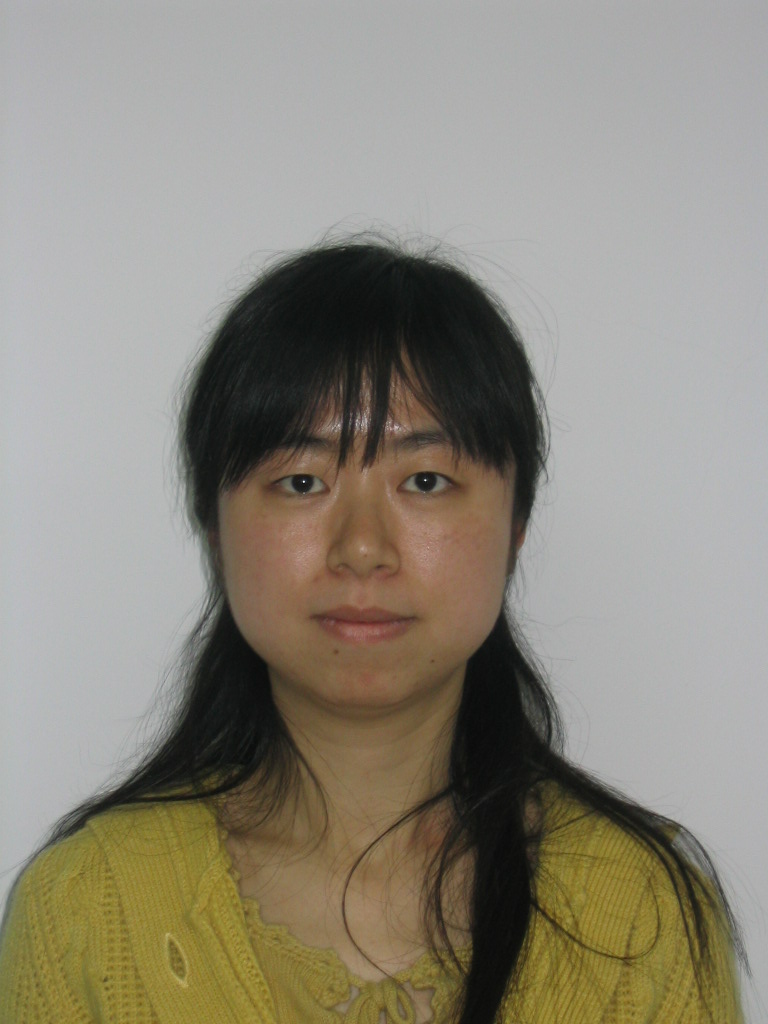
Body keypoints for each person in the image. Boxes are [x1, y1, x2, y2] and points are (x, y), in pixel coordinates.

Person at [0, 237, 745, 1023]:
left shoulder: (641, 914)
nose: (361, 547)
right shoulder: (88, 911)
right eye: (302, 481)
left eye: (425, 480)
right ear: (215, 530)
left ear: (516, 525)